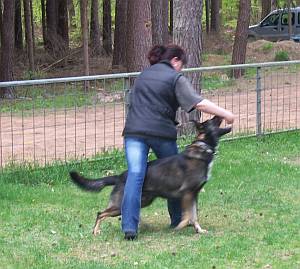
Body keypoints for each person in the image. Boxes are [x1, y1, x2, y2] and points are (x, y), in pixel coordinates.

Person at [121, 44, 235, 240]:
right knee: (178, 173)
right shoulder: (174, 77)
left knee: (135, 175)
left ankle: (130, 227)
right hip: (161, 133)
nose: (181, 69)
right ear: (175, 60)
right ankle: (178, 219)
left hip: (133, 132)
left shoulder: (142, 76)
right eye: (181, 65)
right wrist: (225, 113)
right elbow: (197, 102)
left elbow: (131, 103)